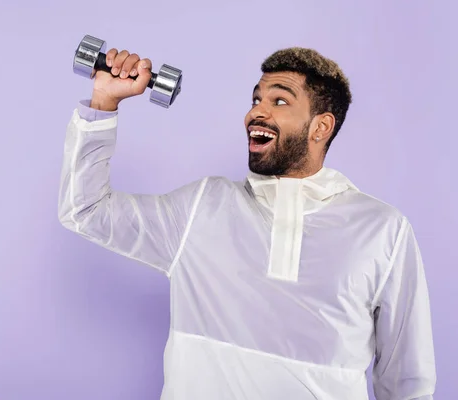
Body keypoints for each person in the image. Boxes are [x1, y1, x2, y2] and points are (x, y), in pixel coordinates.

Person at [58, 46, 436, 399]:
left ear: (321, 127)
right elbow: (85, 209)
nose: (256, 112)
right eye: (256, 99)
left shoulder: (383, 229)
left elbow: (407, 380)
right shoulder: (202, 206)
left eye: (280, 101)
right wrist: (104, 102)